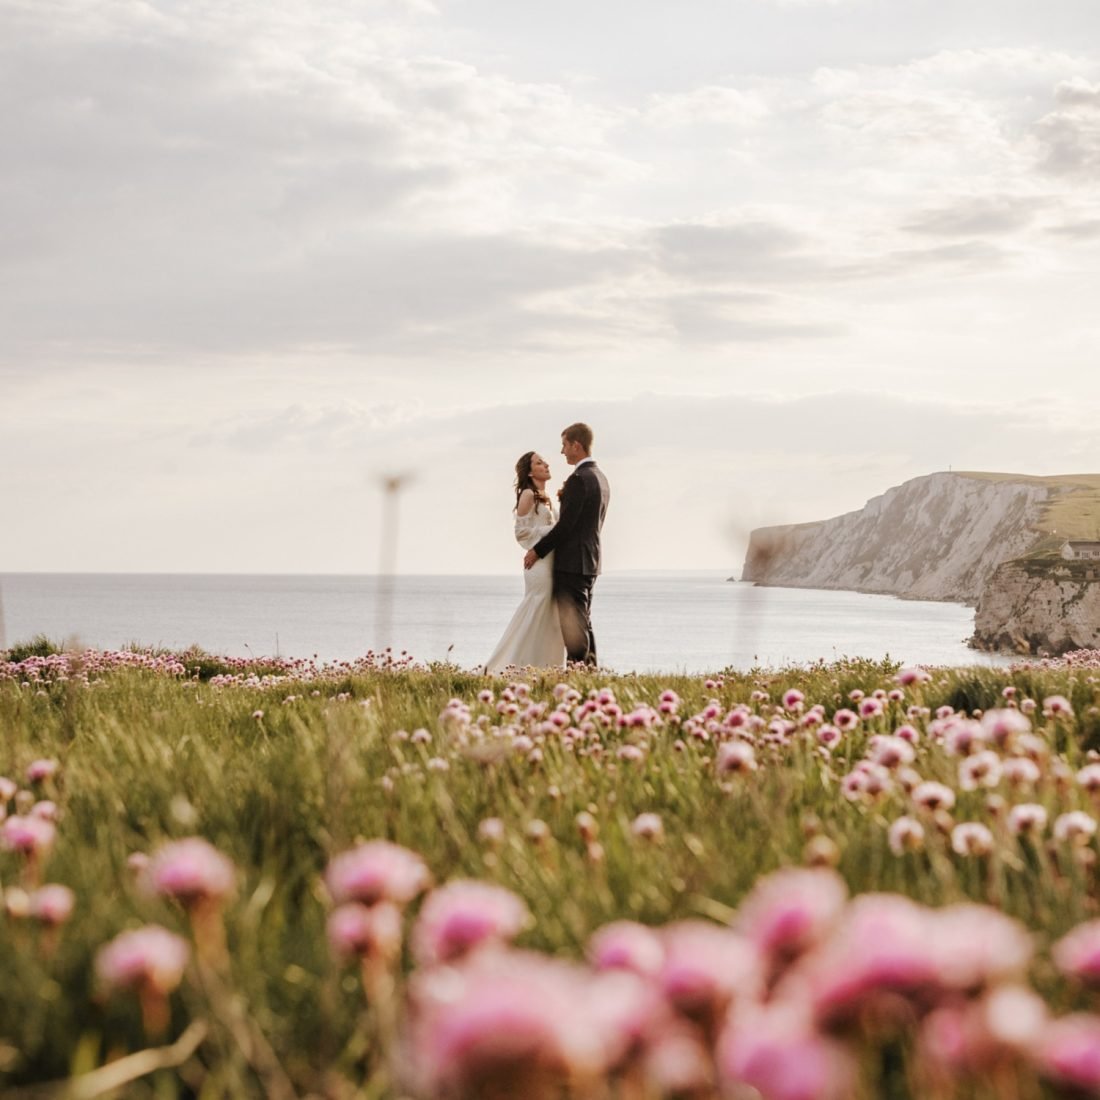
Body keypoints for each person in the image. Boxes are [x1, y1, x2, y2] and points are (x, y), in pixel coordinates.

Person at [524, 423, 610, 666]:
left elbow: (566, 527)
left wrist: (537, 551)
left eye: (564, 445)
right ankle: (589, 671)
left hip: (572, 562)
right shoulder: (600, 478)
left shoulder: (579, 479)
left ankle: (577, 671)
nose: (562, 452)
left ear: (576, 445)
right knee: (584, 621)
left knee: (572, 623)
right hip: (590, 560)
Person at [484, 452, 566, 673]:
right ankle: (509, 667)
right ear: (530, 472)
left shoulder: (545, 495)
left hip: (552, 562)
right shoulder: (528, 494)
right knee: (535, 613)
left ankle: (545, 668)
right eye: (539, 463)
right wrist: (555, 530)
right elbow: (521, 533)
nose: (546, 464)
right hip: (539, 565)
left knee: (549, 618)